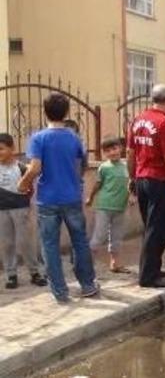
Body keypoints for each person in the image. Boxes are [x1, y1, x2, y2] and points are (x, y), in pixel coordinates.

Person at [18, 93, 98, 303]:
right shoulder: (75, 138)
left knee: (50, 245)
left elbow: (35, 167)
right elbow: (83, 166)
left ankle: (60, 292)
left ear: (45, 111)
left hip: (48, 200)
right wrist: (75, 181)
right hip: (72, 197)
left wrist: (23, 183)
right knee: (80, 242)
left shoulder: (38, 138)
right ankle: (88, 285)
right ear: (67, 112)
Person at [126, 84, 165, 288]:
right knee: (158, 230)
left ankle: (153, 269)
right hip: (160, 182)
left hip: (142, 179)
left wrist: (132, 177)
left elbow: (130, 153)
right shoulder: (164, 123)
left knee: (151, 228)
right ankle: (148, 277)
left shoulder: (138, 120)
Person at [0, 133, 48, 289]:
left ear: (12, 148)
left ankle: (34, 273)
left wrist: (26, 205)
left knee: (25, 242)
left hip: (21, 210)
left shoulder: (22, 168)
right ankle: (11, 275)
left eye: (1, 149)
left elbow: (30, 189)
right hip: (2, 211)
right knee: (7, 243)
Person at [86, 137, 134, 274]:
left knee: (117, 237)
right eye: (108, 151)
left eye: (114, 148)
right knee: (99, 237)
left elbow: (131, 183)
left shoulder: (126, 166)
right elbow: (98, 184)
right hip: (104, 207)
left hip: (120, 207)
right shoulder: (104, 167)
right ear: (104, 154)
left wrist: (132, 195)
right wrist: (90, 197)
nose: (112, 152)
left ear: (121, 148)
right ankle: (87, 265)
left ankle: (115, 264)